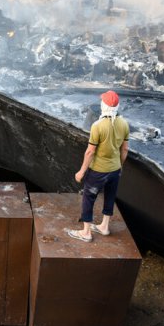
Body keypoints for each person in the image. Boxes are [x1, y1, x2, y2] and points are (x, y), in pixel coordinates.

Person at [66, 90, 129, 242]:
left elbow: (90, 152)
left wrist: (81, 172)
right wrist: (119, 166)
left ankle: (86, 232)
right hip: (115, 170)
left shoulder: (98, 126)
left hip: (98, 171)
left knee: (88, 198)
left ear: (104, 106)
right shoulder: (124, 123)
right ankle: (104, 227)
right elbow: (125, 149)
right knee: (110, 196)